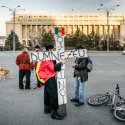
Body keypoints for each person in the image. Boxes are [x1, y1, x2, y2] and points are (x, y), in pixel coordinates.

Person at [37, 44, 66, 120]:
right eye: (52, 49)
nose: (53, 50)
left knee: (47, 94)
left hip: (46, 76)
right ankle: (54, 113)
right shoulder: (48, 57)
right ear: (49, 50)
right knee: (53, 95)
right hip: (49, 77)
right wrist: (61, 63)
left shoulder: (45, 56)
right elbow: (53, 68)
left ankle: (47, 109)